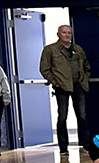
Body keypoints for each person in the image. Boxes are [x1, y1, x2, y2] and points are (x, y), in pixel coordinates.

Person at [39, 24, 91, 154]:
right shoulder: (50, 49)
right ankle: (63, 147)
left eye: (69, 33)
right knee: (62, 116)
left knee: (82, 115)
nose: (67, 35)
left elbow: (86, 66)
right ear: (58, 34)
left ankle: (85, 144)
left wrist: (84, 79)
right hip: (61, 86)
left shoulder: (78, 49)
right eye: (64, 33)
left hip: (78, 85)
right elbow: (44, 69)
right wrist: (55, 82)